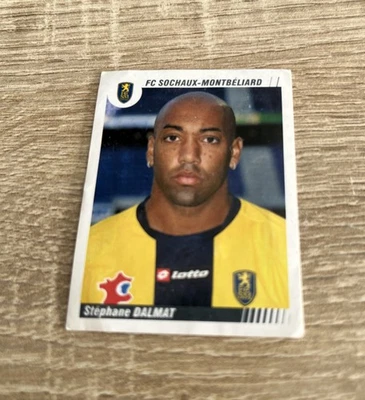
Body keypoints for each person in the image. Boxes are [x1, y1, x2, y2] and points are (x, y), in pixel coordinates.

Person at [81, 92, 288, 309]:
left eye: (209, 139)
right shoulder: (92, 248)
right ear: (151, 150)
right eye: (173, 138)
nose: (189, 155)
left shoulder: (282, 245)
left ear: (234, 153)